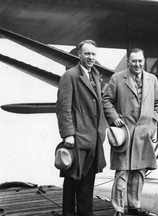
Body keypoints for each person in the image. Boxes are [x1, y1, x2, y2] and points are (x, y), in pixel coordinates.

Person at [102, 48, 158, 216]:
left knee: (139, 171)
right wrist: (114, 118)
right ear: (129, 61)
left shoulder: (152, 79)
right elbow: (106, 100)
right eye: (134, 61)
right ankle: (119, 209)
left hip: (144, 133)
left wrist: (154, 123)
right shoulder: (117, 78)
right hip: (125, 133)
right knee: (122, 172)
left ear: (144, 61)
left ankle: (134, 206)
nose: (137, 64)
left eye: (140, 61)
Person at [56, 40, 106, 216]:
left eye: (93, 54)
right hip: (77, 138)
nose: (91, 57)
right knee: (72, 180)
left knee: (87, 182)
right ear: (79, 54)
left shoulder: (95, 76)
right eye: (87, 54)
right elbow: (63, 107)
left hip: (94, 138)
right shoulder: (69, 76)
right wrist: (68, 134)